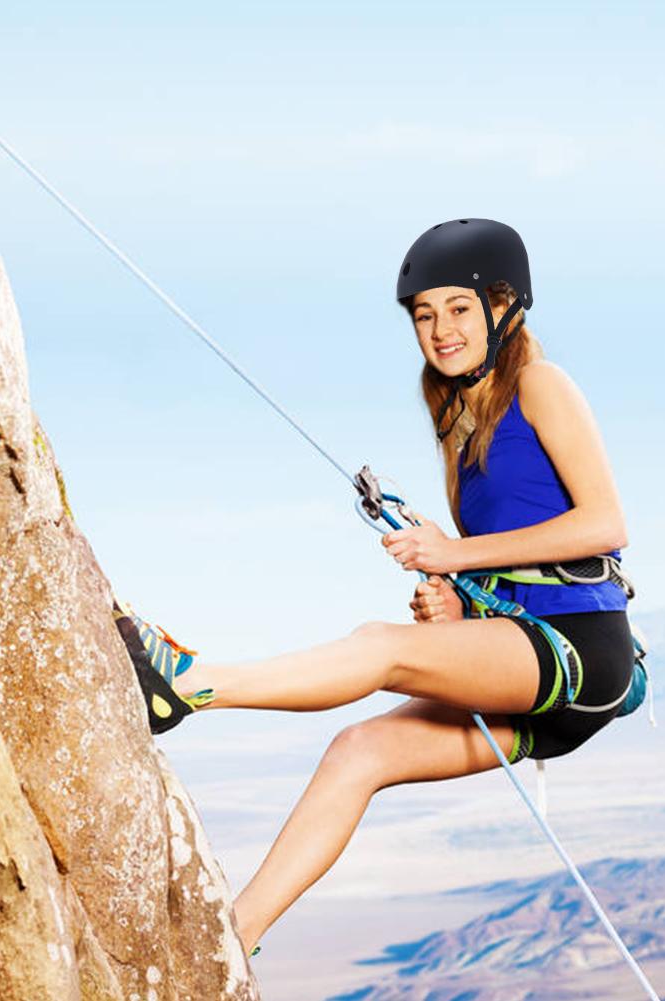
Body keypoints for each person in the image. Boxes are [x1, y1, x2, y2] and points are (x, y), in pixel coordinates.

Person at [116, 218, 637, 963]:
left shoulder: (540, 385)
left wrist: (454, 554)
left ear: (501, 305)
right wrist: (457, 596)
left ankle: (189, 684)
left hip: (580, 653)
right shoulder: (455, 417)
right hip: (527, 657)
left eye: (456, 308)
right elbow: (506, 564)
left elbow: (603, 523)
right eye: (423, 314)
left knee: (380, 648)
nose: (439, 329)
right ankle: (229, 943)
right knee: (356, 750)